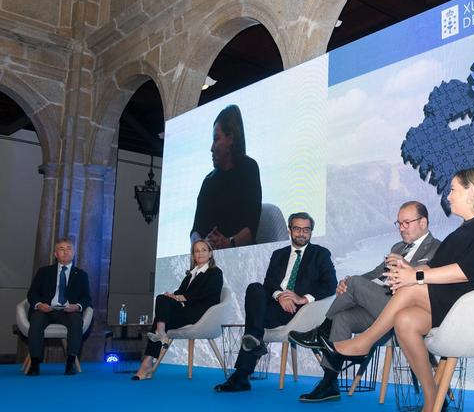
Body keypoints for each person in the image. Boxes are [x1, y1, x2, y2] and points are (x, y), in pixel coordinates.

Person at [318, 168, 474, 412]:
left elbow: (465, 271)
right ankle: (432, 398)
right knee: (405, 321)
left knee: (411, 289)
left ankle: (364, 343)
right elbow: (442, 270)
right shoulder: (467, 229)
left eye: (453, 189)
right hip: (460, 305)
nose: (448, 196)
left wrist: (415, 276)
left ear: (471, 191)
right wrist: (408, 274)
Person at [289, 201, 441, 402]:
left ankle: (322, 331)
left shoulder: (437, 248)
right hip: (381, 306)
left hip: (409, 309)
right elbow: (374, 274)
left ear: (423, 222)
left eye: (407, 223)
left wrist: (403, 265)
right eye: (399, 223)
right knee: (342, 317)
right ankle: (329, 383)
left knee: (354, 285)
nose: (402, 228)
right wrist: (347, 283)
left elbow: (425, 282)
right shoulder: (398, 246)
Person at [214, 212, 337, 392]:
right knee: (255, 287)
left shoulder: (320, 254)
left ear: (311, 232)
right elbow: (269, 283)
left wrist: (301, 298)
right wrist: (280, 296)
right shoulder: (278, 254)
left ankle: (242, 374)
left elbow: (330, 284)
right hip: (276, 307)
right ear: (289, 230)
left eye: (306, 229)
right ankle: (254, 342)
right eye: (297, 229)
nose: (302, 233)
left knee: (254, 323)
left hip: (300, 311)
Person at [132, 239, 223, 380]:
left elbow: (208, 293)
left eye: (204, 250)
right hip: (185, 311)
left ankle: (148, 360)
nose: (200, 253)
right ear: (193, 256)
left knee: (161, 316)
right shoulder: (190, 275)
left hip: (202, 313)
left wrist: (182, 298)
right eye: (196, 251)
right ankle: (158, 337)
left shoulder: (215, 272)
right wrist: (173, 296)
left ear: (210, 253)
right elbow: (180, 292)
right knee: (162, 299)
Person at [191, 104, 262, 249]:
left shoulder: (249, 169)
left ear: (231, 138)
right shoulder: (208, 181)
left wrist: (228, 242)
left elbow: (251, 229)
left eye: (216, 139)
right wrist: (199, 244)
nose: (211, 147)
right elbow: (195, 231)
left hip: (241, 259)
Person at [25, 238, 91, 376]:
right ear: (55, 254)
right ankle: (35, 363)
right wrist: (39, 305)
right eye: (61, 249)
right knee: (36, 320)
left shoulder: (81, 275)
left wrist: (77, 306)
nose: (65, 251)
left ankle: (70, 363)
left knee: (76, 321)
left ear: (73, 253)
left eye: (68, 248)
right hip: (46, 310)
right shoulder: (44, 272)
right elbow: (32, 293)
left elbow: (86, 298)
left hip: (67, 312)